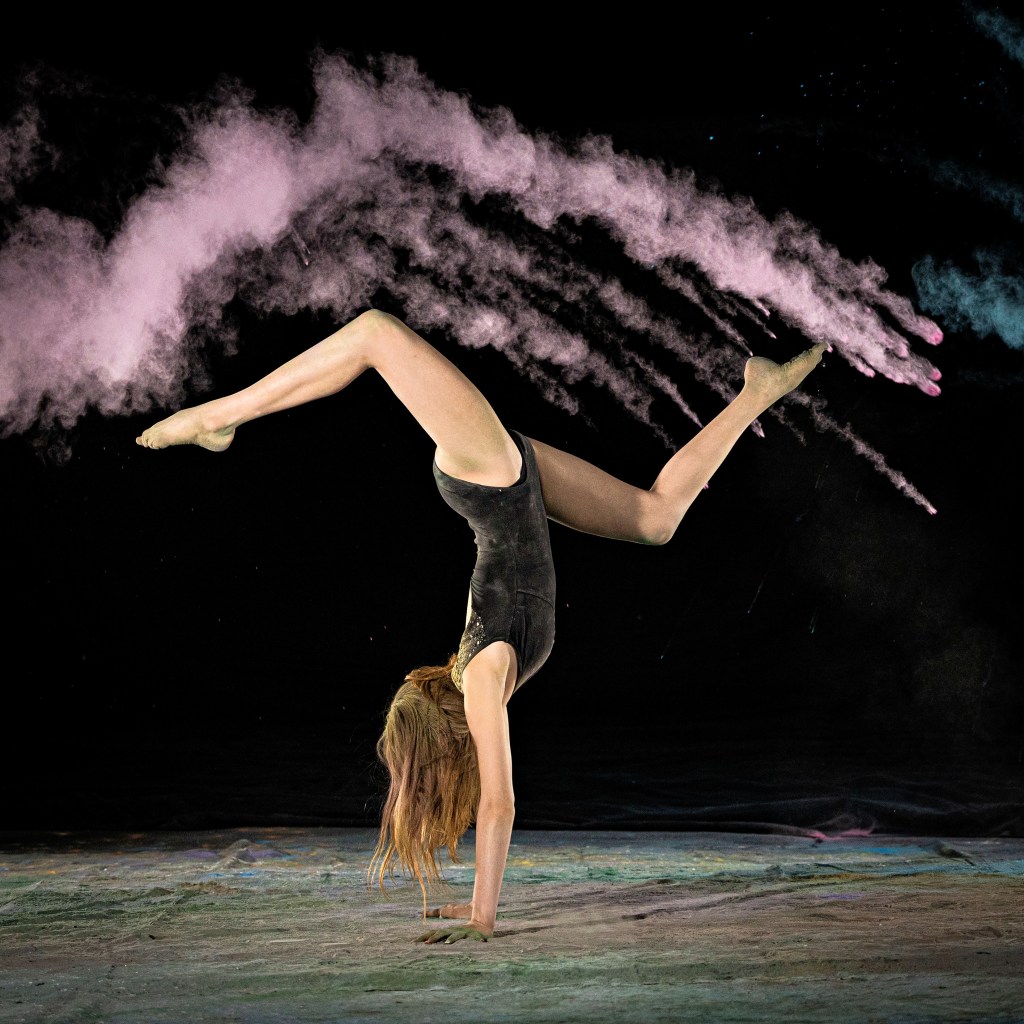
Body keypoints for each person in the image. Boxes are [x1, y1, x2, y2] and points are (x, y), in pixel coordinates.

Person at [136, 308, 825, 944]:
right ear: (439, 724)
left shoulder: (482, 668)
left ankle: (216, 416)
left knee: (382, 337)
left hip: (495, 485)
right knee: (652, 516)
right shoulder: (486, 675)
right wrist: (481, 916)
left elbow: (496, 574)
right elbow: (500, 806)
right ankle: (757, 393)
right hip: (503, 478)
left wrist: (478, 908)